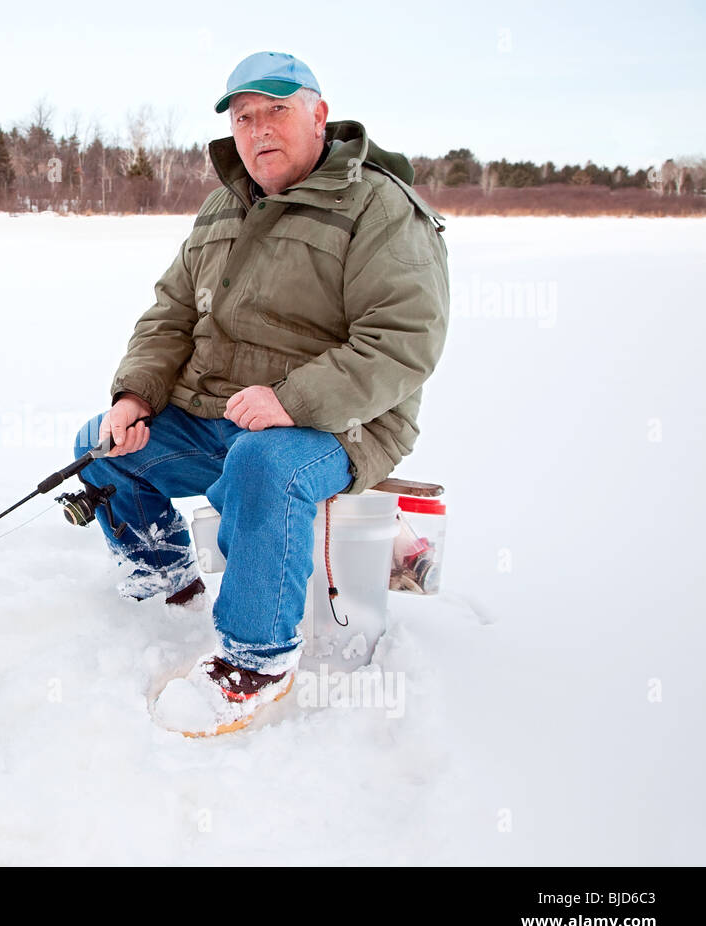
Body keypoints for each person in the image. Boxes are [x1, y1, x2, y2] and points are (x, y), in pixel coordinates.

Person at [72, 51, 450, 734]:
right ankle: (169, 589)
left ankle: (258, 659)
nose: (258, 129)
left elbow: (404, 340)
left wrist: (293, 402)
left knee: (264, 463)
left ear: (319, 115)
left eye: (277, 110)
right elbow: (171, 315)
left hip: (344, 423)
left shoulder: (380, 205)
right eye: (244, 116)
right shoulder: (225, 204)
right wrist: (134, 396)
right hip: (222, 410)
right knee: (102, 446)